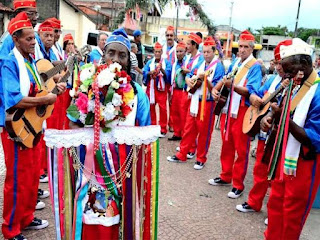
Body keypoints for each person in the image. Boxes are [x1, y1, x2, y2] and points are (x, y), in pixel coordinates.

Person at [0, 12, 66, 240]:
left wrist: (53, 91)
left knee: (30, 177)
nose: (33, 42)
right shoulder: (9, 62)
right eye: (28, 38)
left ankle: (26, 218)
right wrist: (44, 100)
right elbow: (14, 100)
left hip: (33, 126)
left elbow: (38, 91)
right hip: (15, 129)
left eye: (33, 38)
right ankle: (10, 228)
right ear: (16, 39)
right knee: (16, 179)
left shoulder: (30, 62)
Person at [259, 38, 320, 240]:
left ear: (304, 65)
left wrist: (281, 117)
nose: (286, 76)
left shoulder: (317, 91)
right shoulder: (296, 84)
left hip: (304, 163)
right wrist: (269, 120)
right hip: (283, 158)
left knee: (292, 214)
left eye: (289, 70)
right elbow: (283, 110)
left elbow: (313, 139)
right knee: (275, 203)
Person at [236, 42, 290, 213]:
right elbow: (256, 94)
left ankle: (274, 212)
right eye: (277, 62)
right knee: (259, 168)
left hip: (280, 136)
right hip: (263, 133)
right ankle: (254, 202)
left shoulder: (294, 85)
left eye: (282, 62)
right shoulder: (273, 80)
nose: (279, 67)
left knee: (277, 176)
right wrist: (253, 98)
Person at [208, 30, 262, 199]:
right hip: (228, 109)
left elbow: (250, 91)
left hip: (243, 111)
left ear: (252, 48)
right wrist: (215, 91)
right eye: (241, 46)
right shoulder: (235, 63)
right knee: (226, 144)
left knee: (242, 149)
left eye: (246, 47)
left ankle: (238, 184)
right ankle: (225, 175)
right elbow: (225, 79)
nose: (242, 50)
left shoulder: (255, 66)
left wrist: (232, 86)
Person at [167, 36, 224, 170]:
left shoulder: (218, 66)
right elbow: (189, 74)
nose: (205, 54)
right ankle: (182, 153)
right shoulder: (200, 64)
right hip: (194, 100)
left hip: (207, 102)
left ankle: (201, 158)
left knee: (204, 132)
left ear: (214, 51)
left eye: (208, 52)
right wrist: (188, 80)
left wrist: (206, 80)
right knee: (189, 128)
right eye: (204, 52)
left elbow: (217, 88)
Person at [143, 42, 172, 136]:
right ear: (153, 52)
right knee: (151, 107)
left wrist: (162, 70)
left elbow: (169, 73)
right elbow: (144, 71)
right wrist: (149, 73)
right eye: (156, 52)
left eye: (159, 52)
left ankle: (163, 128)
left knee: (163, 109)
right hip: (151, 87)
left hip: (161, 89)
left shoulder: (166, 62)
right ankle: (152, 127)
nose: (157, 54)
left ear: (162, 52)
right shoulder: (149, 62)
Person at [168, 41, 188, 141]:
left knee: (183, 114)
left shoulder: (187, 63)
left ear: (185, 52)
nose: (179, 53)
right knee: (174, 113)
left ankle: (184, 135)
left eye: (181, 51)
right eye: (177, 51)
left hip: (183, 91)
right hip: (175, 90)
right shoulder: (175, 64)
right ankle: (177, 133)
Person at [162, 25, 177, 133]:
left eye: (171, 35)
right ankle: (162, 125)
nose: (169, 37)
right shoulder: (162, 48)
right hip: (162, 80)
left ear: (174, 36)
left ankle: (172, 124)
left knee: (173, 103)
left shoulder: (178, 48)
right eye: (167, 35)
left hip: (173, 80)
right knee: (163, 104)